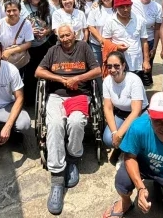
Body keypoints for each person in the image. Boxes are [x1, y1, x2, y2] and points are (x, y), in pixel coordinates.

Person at [35, 24, 102, 215]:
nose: (65, 38)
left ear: (75, 34)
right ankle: (57, 177)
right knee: (55, 124)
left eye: (68, 35)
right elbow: (39, 72)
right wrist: (60, 79)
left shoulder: (84, 47)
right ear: (58, 37)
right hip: (57, 95)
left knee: (75, 122)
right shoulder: (53, 51)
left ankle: (73, 157)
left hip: (80, 95)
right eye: (62, 36)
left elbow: (97, 71)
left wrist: (77, 79)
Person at [102, 52, 148, 153]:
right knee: (108, 139)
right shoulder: (106, 81)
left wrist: (119, 134)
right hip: (121, 113)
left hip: (140, 113)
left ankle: (131, 151)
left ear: (123, 66)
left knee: (137, 135)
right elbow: (108, 108)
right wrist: (114, 132)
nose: (113, 70)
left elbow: (136, 111)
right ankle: (123, 149)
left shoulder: (134, 80)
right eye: (109, 66)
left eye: (116, 66)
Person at [103, 0, 150, 84]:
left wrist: (146, 61)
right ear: (116, 7)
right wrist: (116, 47)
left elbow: (144, 41)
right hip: (117, 65)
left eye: (128, 6)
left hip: (136, 63)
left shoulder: (139, 20)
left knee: (136, 89)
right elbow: (106, 41)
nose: (125, 9)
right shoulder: (110, 21)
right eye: (121, 7)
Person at [22, 0, 52, 103]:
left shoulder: (47, 6)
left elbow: (53, 25)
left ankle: (45, 98)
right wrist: (29, 31)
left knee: (44, 72)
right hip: (28, 46)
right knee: (29, 75)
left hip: (43, 45)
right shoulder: (22, 6)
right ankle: (30, 100)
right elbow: (16, 23)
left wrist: (46, 32)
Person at [131, 0, 162, 87]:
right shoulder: (131, 3)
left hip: (149, 42)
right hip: (133, 41)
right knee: (133, 70)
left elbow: (157, 29)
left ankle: (145, 97)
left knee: (146, 69)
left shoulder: (157, 7)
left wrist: (154, 47)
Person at [0, 0, 34, 75]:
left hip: (19, 60)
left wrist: (10, 51)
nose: (11, 13)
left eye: (14, 10)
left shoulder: (26, 23)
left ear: (19, 10)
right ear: (5, 12)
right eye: (8, 11)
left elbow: (28, 43)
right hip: (4, 60)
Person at [87, 0, 115, 77]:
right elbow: (91, 26)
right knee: (98, 70)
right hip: (96, 45)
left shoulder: (117, 9)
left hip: (113, 45)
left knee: (112, 68)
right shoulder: (95, 9)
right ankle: (100, 90)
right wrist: (102, 40)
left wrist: (108, 44)